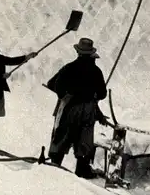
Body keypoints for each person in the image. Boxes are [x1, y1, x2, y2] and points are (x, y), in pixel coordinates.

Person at [46, 38, 107, 179]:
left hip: (71, 108)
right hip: (88, 109)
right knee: (84, 139)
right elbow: (103, 93)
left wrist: (65, 95)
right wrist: (94, 95)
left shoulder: (69, 68)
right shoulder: (96, 71)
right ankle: (82, 170)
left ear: (78, 52)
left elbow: (52, 84)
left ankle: (55, 165)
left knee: (63, 135)